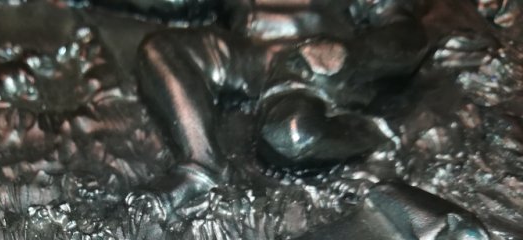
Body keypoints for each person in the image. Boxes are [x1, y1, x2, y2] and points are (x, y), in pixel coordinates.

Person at [88, 0, 431, 212]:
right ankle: (200, 166)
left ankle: (373, 132)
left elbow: (406, 33)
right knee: (163, 49)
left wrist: (353, 55)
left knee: (293, 137)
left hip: (310, 64)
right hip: (249, 55)